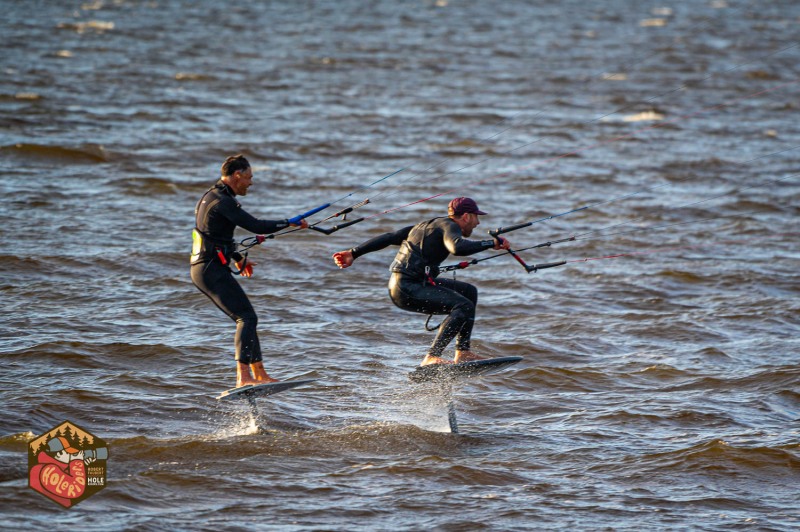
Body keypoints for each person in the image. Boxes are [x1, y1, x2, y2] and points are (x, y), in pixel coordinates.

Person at [332, 197, 511, 366]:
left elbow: (389, 237)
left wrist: (353, 253)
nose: (477, 223)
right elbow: (457, 247)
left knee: (469, 292)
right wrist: (490, 243)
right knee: (463, 306)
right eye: (476, 218)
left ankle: (462, 352)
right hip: (407, 287)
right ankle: (432, 356)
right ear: (466, 216)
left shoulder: (425, 226)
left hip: (410, 284)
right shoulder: (449, 226)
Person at [191, 154, 308, 388]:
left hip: (210, 266)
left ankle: (260, 374)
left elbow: (214, 234)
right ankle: (243, 378)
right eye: (249, 177)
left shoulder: (214, 196)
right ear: (237, 175)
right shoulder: (222, 200)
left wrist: (237, 258)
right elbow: (254, 225)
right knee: (246, 317)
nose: (251, 182)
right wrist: (290, 221)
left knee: (249, 318)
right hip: (209, 269)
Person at [29, 436, 95, 508]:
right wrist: (77, 462)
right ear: (59, 454)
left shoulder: (55, 467)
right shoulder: (47, 470)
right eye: (69, 453)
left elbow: (66, 478)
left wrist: (83, 466)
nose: (72, 456)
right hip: (52, 511)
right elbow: (75, 489)